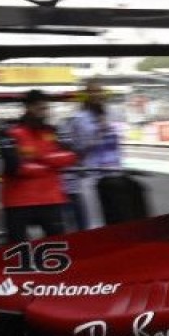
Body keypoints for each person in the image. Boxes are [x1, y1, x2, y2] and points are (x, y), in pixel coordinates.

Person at [0, 89, 77, 242]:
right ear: (28, 107)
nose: (44, 112)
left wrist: (40, 158)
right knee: (17, 252)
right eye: (40, 108)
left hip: (51, 200)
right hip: (18, 202)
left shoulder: (54, 131)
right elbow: (15, 167)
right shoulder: (9, 133)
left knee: (57, 248)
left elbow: (71, 156)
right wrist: (51, 163)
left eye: (45, 108)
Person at [63, 80, 124, 229]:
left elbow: (117, 143)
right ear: (86, 95)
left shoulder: (112, 114)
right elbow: (79, 148)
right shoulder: (79, 119)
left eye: (99, 91)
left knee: (117, 218)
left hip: (114, 174)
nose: (97, 95)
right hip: (92, 176)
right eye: (92, 91)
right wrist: (99, 130)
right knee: (95, 223)